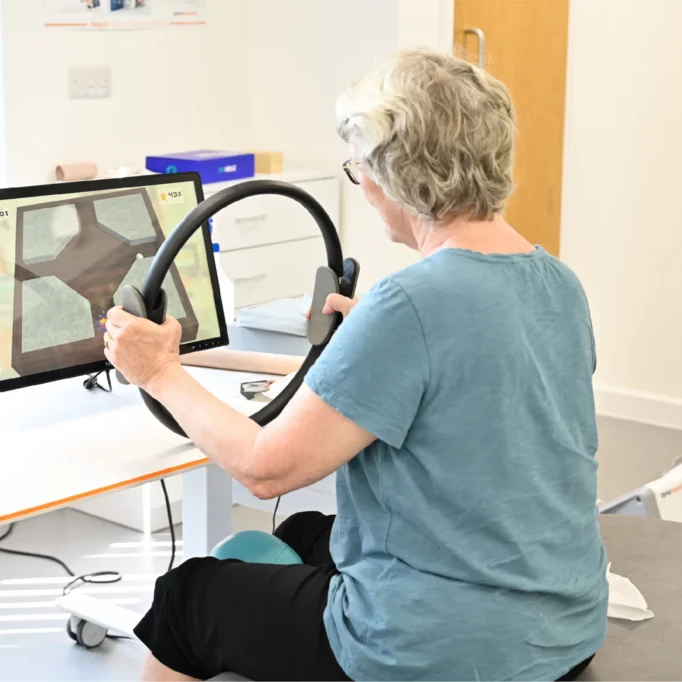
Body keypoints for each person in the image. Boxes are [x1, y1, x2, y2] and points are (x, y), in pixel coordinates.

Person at [104, 48, 608, 681]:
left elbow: (266, 471)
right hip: (566, 627)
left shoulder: (412, 305)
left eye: (360, 167)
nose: (363, 185)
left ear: (398, 174)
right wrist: (375, 334)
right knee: (307, 533)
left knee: (187, 597)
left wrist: (157, 373)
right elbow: (480, 389)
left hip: (445, 649)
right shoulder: (556, 281)